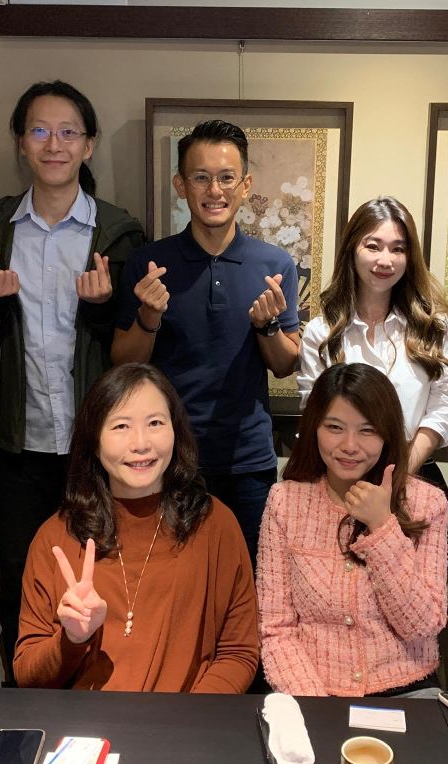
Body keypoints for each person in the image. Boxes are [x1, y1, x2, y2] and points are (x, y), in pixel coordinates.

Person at [0, 81, 145, 673]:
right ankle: (28, 694)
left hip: (97, 441)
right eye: (40, 130)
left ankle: (104, 687)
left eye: (68, 132)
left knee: (107, 571)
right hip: (21, 441)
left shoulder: (119, 232)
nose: (54, 144)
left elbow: (137, 346)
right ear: (21, 142)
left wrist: (104, 307)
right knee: (19, 576)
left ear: (88, 145)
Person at [112, 119, 300, 564]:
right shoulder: (149, 262)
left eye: (226, 177)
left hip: (248, 460)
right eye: (200, 177)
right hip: (167, 456)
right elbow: (123, 363)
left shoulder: (274, 265)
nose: (214, 190)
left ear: (245, 185)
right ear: (181, 185)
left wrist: (267, 327)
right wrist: (149, 317)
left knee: (249, 577)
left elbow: (285, 364)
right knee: (170, 578)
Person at [15, 363, 258, 692]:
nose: (141, 443)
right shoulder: (57, 536)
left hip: (187, 719)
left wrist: (190, 717)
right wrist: (72, 638)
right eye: (121, 426)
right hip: (85, 723)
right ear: (94, 440)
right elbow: (27, 675)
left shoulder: (214, 524)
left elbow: (238, 653)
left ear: (176, 430)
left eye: (155, 423)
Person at [258, 363, 448, 697]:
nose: (349, 445)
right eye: (334, 427)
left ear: (387, 434)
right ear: (314, 427)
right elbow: (276, 628)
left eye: (367, 430)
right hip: (312, 691)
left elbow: (423, 625)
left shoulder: (427, 503)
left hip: (406, 689)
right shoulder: (285, 502)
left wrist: (383, 527)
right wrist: (317, 706)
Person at [298, 196, 448, 495]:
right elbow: (314, 410)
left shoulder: (432, 328)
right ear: (352, 249)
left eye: (398, 249)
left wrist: (400, 473)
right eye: (373, 246)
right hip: (341, 479)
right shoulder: (321, 333)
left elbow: (443, 406)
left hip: (415, 477)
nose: (385, 260)